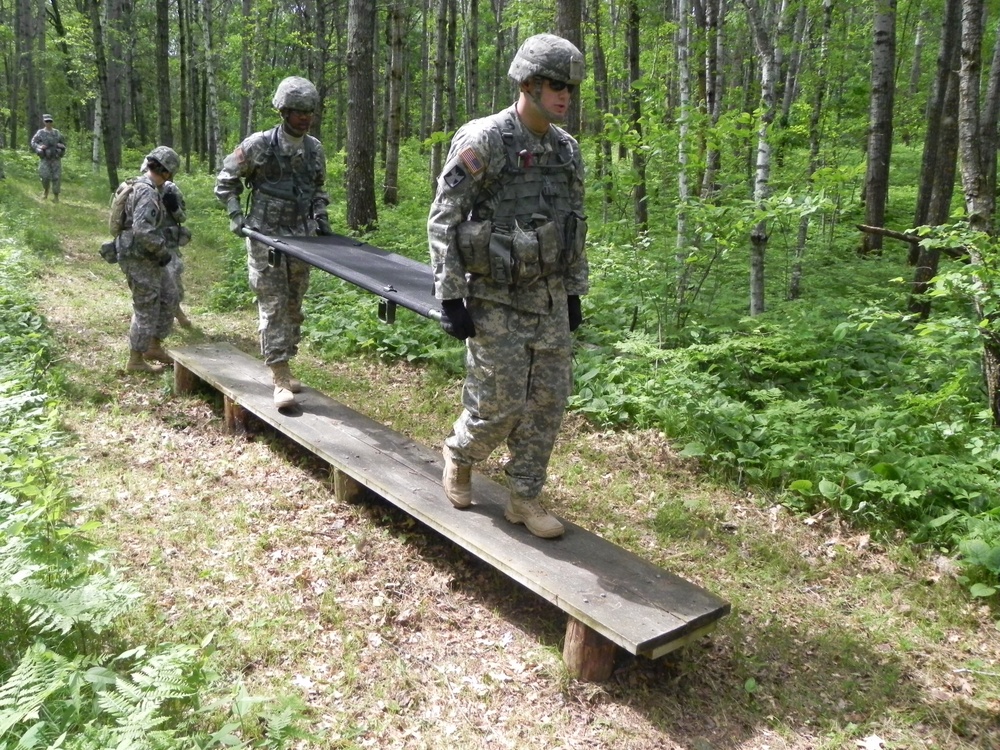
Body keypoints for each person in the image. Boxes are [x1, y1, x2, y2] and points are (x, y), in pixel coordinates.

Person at [427, 33, 589, 539]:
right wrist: (451, 295)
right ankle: (460, 453)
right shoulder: (486, 139)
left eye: (570, 88)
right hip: (496, 294)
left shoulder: (565, 150)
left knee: (548, 402)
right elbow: (444, 218)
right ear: (527, 83)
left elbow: (573, 223)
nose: (565, 95)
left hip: (548, 295)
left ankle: (524, 496)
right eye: (555, 85)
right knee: (498, 404)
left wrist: (574, 291)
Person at [214, 76, 331, 410]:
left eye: (309, 111)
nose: (304, 118)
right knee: (273, 305)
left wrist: (321, 215)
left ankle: (285, 361)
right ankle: (279, 375)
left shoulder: (314, 149)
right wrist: (236, 214)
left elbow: (318, 188)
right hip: (266, 238)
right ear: (283, 111)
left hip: (302, 240)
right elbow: (225, 181)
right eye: (297, 112)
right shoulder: (259, 145)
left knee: (294, 305)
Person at [116, 146, 181, 373]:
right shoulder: (147, 192)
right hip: (139, 256)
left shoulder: (140, 185)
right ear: (166, 172)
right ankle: (135, 359)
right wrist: (162, 250)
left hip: (145, 255)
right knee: (146, 305)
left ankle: (153, 346)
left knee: (169, 296)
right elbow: (142, 229)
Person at [160, 179, 193, 327]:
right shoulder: (140, 188)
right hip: (146, 243)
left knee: (173, 282)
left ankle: (176, 311)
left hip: (168, 244)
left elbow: (182, 217)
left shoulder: (170, 189)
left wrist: (173, 207)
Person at [30, 114, 67, 201]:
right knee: (44, 176)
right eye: (47, 121)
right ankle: (46, 190)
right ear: (44, 122)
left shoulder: (57, 133)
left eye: (50, 121)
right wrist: (39, 147)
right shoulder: (40, 132)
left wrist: (61, 146)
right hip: (45, 158)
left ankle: (56, 196)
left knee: (56, 177)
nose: (49, 123)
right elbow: (33, 142)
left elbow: (64, 144)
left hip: (56, 158)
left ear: (52, 122)